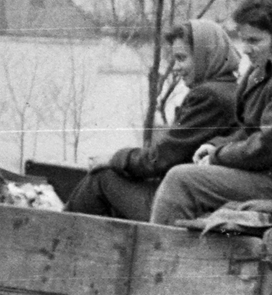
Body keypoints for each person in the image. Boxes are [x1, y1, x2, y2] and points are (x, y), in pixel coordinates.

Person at [149, 0, 272, 226]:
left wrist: (218, 156)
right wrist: (216, 146)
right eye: (243, 40)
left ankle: (158, 246)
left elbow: (268, 146)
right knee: (185, 175)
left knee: (181, 180)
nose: (246, 49)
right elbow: (249, 130)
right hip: (269, 174)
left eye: (255, 41)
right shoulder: (263, 71)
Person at [65, 20, 239, 220]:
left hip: (183, 207)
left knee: (101, 178)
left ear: (205, 56)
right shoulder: (232, 89)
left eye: (181, 58)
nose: (176, 68)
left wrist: (114, 158)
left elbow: (159, 160)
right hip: (203, 200)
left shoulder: (209, 96)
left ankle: (55, 232)